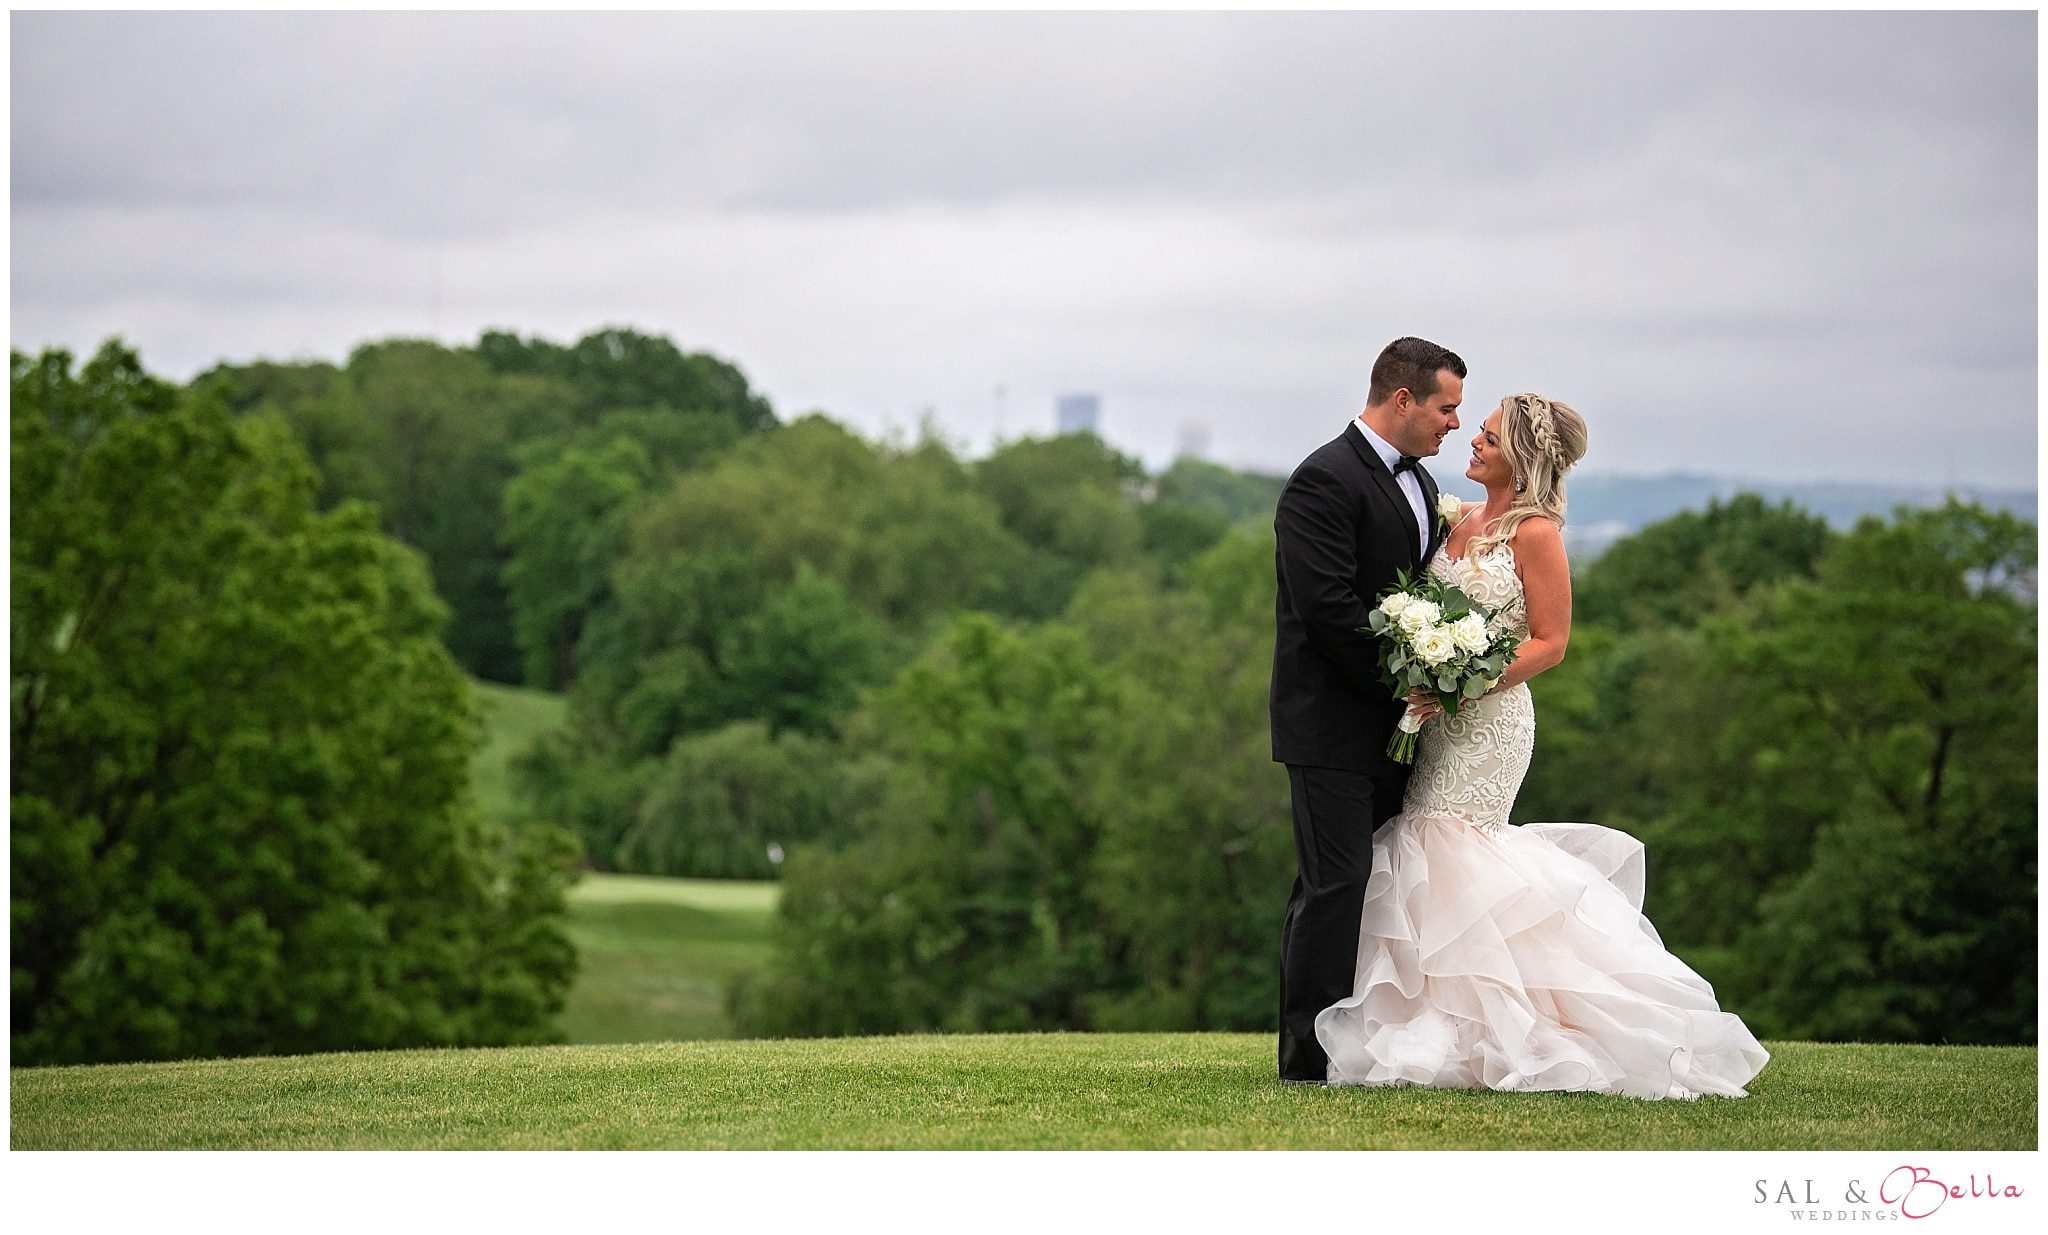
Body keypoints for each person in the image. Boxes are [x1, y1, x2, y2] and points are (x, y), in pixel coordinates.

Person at [1311, 392, 1770, 1099]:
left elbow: (1551, 643)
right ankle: (1438, 1023)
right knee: (1423, 851)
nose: (1472, 442)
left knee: (1452, 849)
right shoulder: (1456, 517)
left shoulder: (1537, 535)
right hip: (1434, 718)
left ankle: (1502, 1027)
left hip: (1489, 723)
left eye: (1487, 437)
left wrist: (1462, 683)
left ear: (1518, 456)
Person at [1270, 336, 1465, 1085]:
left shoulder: (1419, 485)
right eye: (1447, 407)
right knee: (1335, 883)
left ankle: (1358, 1042)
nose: (1455, 422)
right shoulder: (1323, 479)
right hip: (1328, 723)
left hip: (1393, 728)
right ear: (1403, 399)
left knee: (1370, 883)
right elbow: (1326, 609)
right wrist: (1409, 678)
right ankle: (1307, 1062)